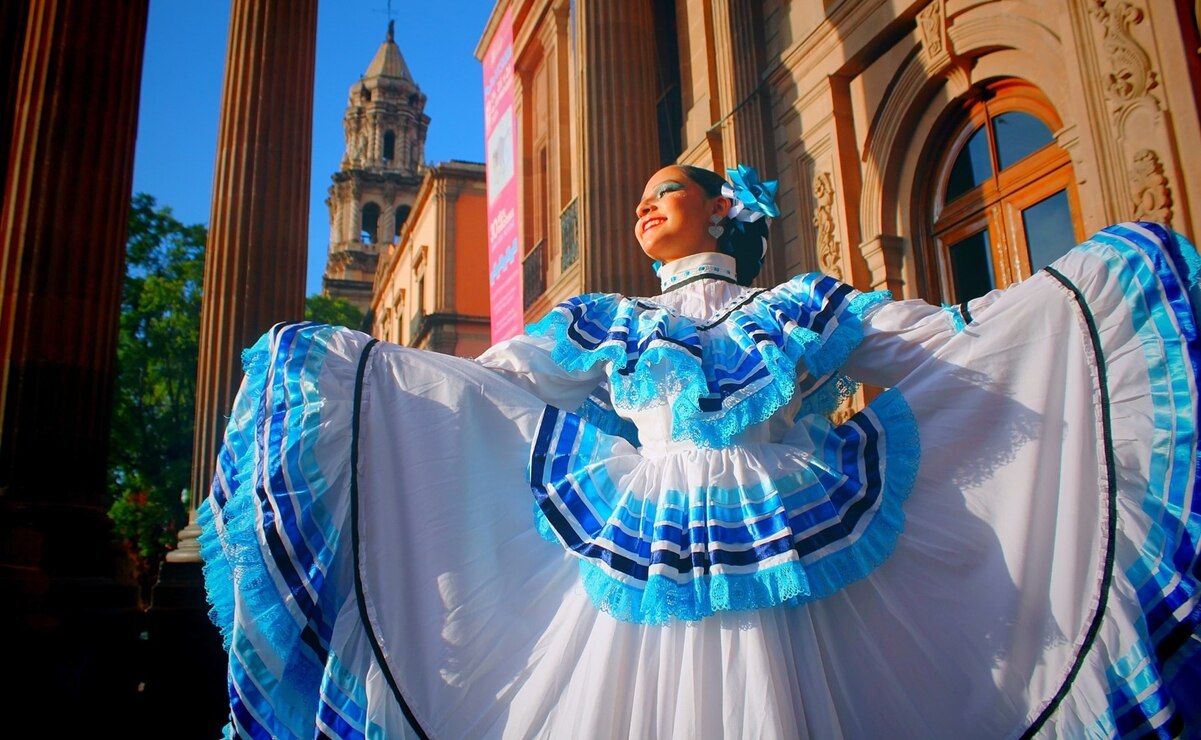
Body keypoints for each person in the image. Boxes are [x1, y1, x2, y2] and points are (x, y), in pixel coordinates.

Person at [199, 163, 1201, 739]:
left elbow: (936, 345)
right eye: (637, 198)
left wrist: (1078, 303)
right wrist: (356, 373)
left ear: (721, 206)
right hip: (646, 545)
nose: (643, 205)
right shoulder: (605, 320)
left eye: (664, 190)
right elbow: (492, 382)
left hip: (795, 539)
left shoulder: (794, 305)